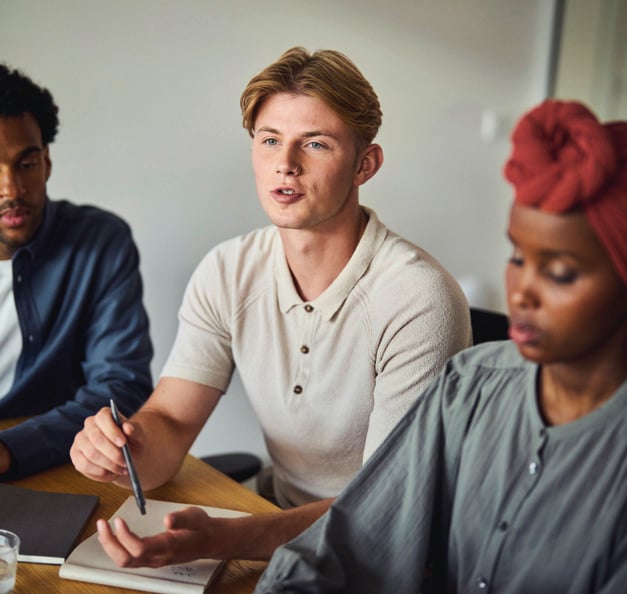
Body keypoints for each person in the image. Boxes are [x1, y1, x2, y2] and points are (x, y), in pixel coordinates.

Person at [70, 46, 471, 565]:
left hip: (389, 556)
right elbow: (170, 422)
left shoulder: (418, 299)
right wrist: (124, 451)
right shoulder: (228, 269)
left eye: (316, 144)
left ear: (364, 164)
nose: (286, 164)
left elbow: (384, 510)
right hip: (273, 521)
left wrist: (227, 541)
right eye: (270, 140)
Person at [254, 99, 627, 594]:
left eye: (559, 272)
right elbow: (351, 543)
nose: (521, 293)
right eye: (517, 257)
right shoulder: (468, 387)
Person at [0, 64, 153, 479]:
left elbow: (121, 386)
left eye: (26, 164)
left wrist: (11, 449)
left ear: (47, 162)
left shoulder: (100, 243)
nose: (12, 190)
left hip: (51, 469)